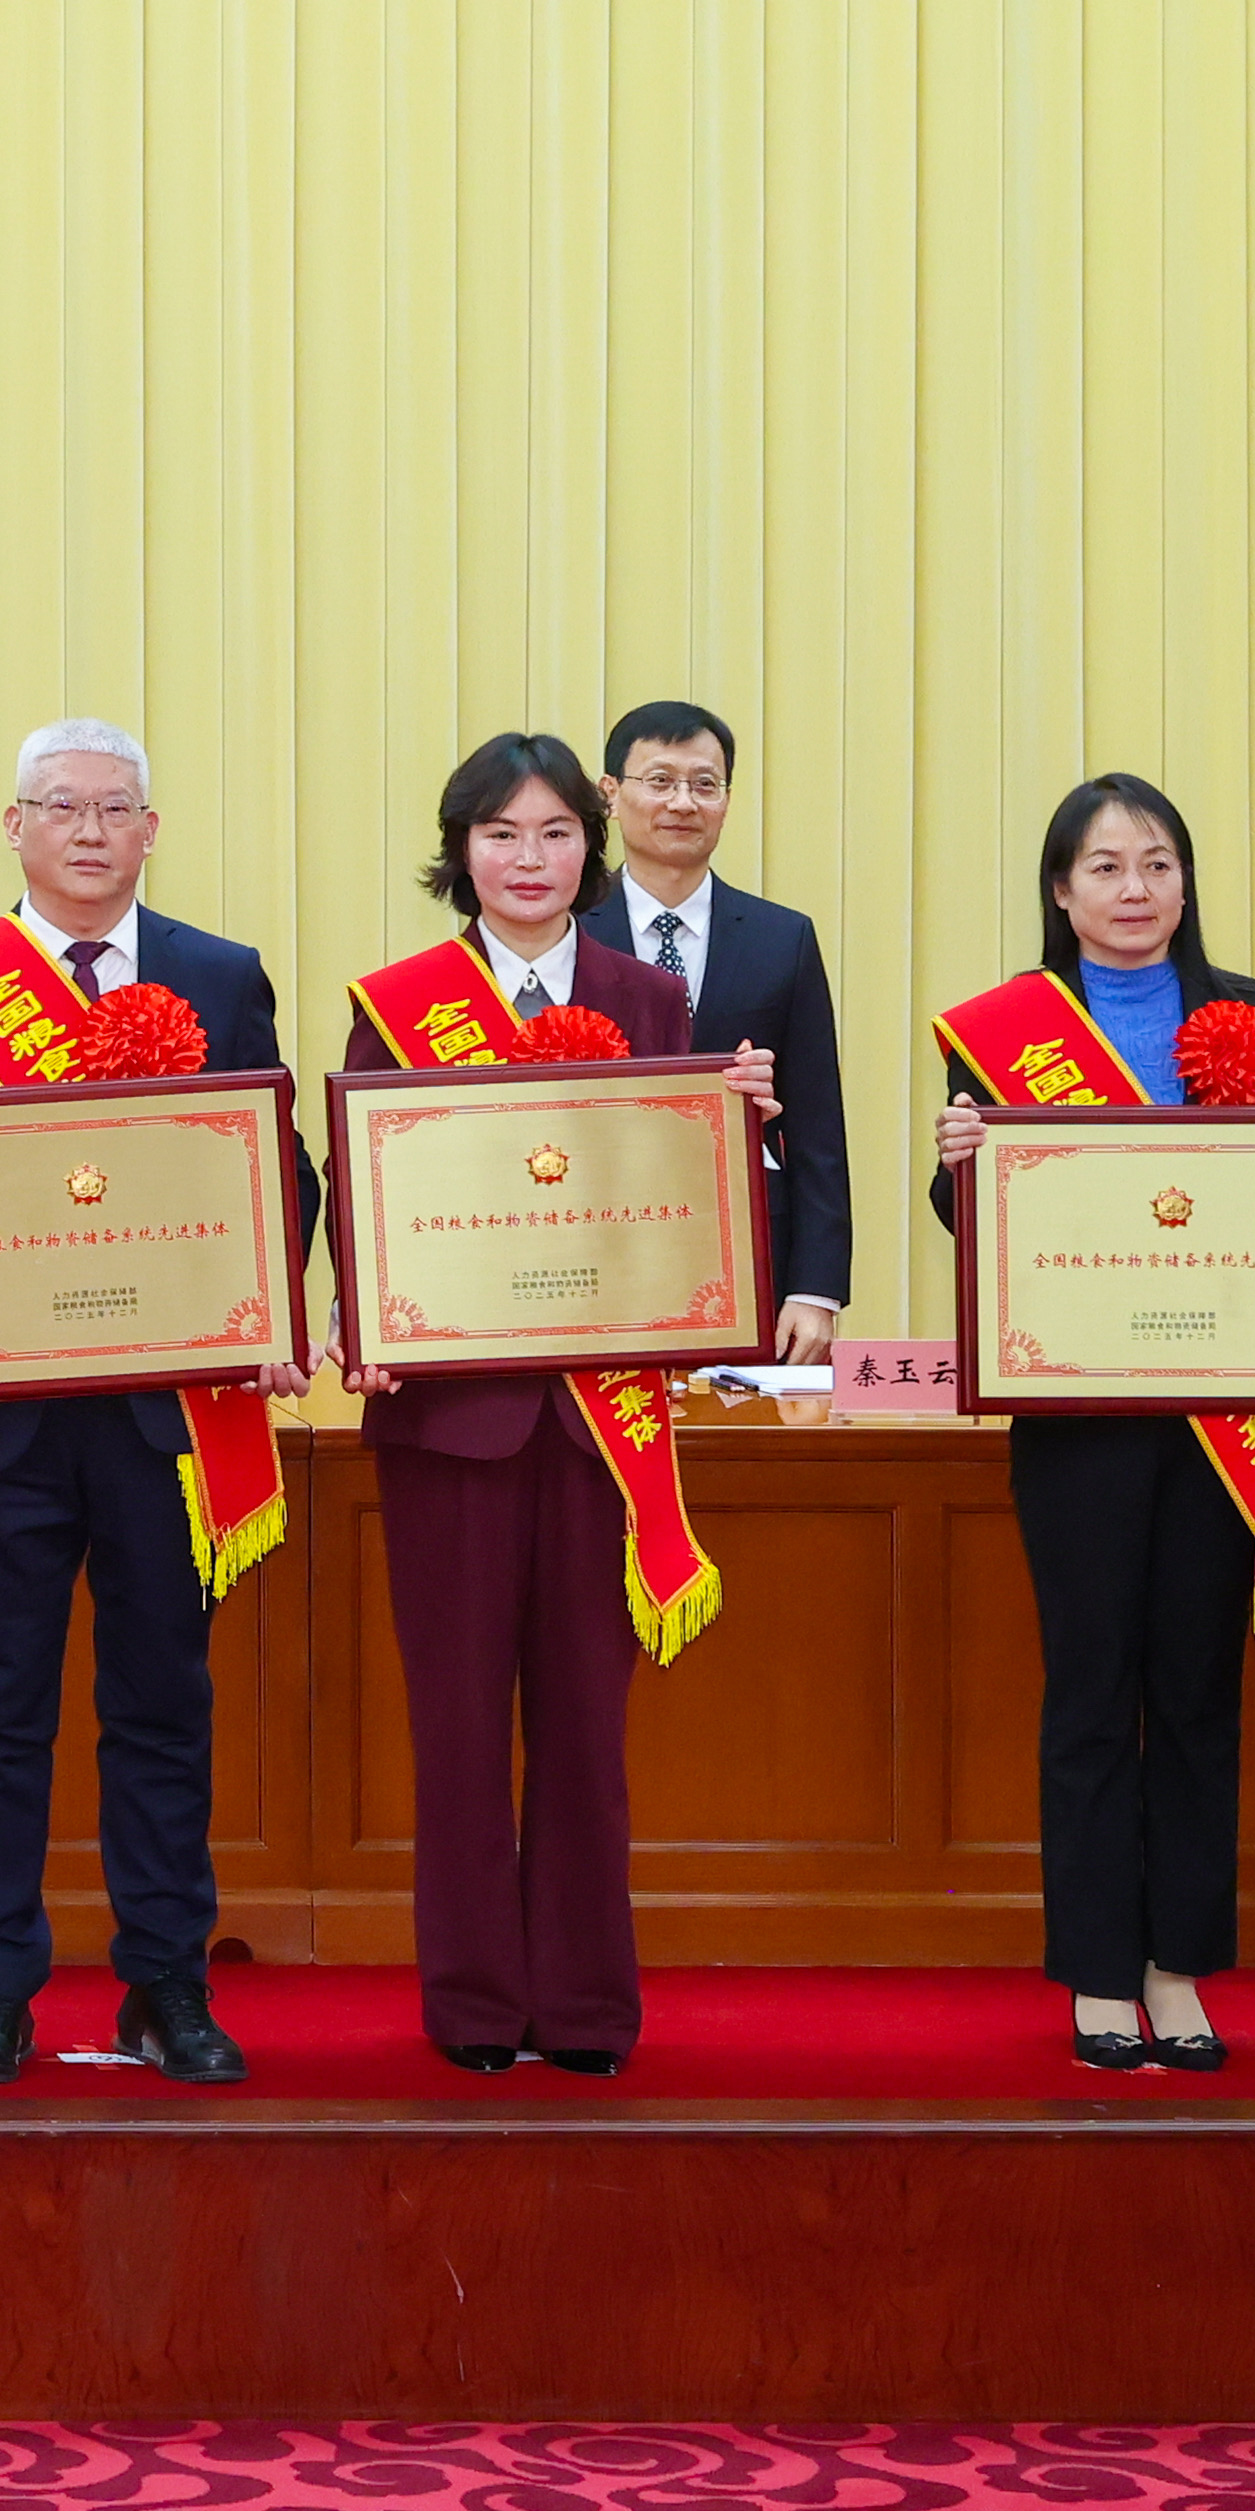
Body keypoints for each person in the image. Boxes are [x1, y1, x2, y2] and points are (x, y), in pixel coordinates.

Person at [0, 718, 283, 2088]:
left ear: (149, 829)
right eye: (60, 806)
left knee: (163, 1701)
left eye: (113, 808)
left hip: (164, 1412)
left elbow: (280, 1175)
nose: (89, 831)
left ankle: (166, 1984)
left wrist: (269, 1308)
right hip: (1, 1418)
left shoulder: (220, 976)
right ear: (14, 825)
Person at [334, 734, 777, 2078]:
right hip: (450, 1422)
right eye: (500, 834)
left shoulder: (650, 998)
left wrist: (743, 1135)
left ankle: (585, 2006)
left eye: (554, 834)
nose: (528, 860)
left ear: (594, 845)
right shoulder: (398, 1003)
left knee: (587, 1732)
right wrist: (368, 1323)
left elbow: (680, 1198)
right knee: (459, 1729)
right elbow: (364, 1193)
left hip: (600, 1429)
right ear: (459, 851)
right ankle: (474, 2002)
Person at [918, 773, 1255, 2076]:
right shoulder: (1005, 1029)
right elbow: (970, 1218)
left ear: (1184, 882)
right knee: (1091, 1688)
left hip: (1217, 1406)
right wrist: (958, 1166)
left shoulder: (1252, 1014)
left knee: (1197, 1689)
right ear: (1061, 888)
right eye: (1104, 866)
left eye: (1156, 862)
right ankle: (1099, 1970)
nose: (1133, 887)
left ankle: (1176, 1964)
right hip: (1077, 1405)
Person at [594, 702, 857, 1361]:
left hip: (750, 1254)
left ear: (726, 801)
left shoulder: (781, 938)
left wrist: (817, 1290)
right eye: (660, 780)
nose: (683, 802)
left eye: (704, 784)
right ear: (610, 795)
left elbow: (818, 1127)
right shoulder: (568, 930)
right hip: (597, 1247)